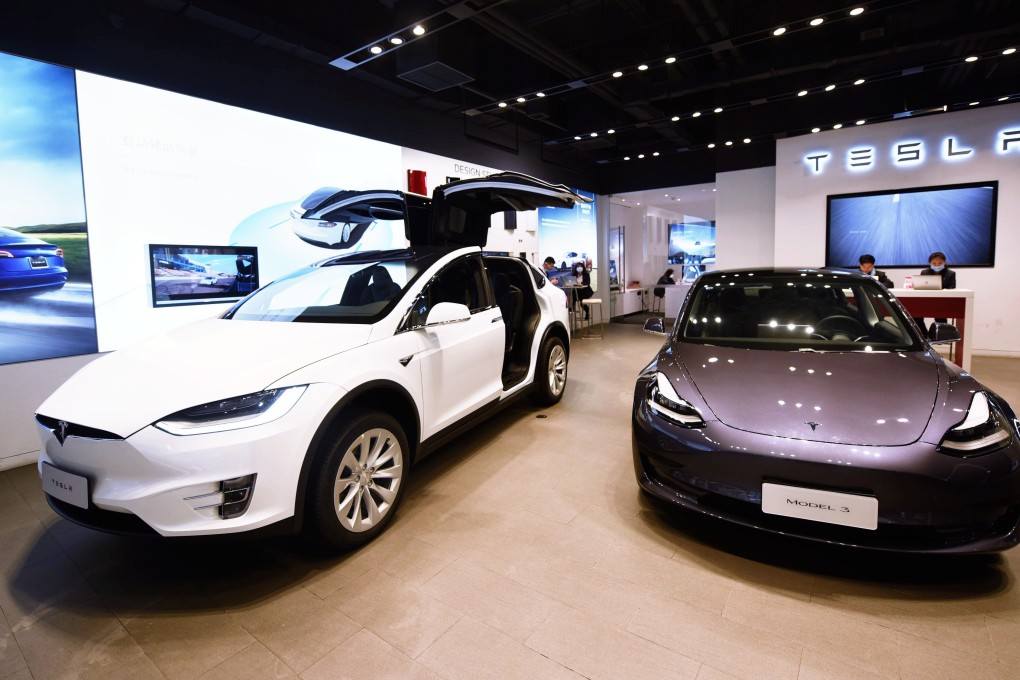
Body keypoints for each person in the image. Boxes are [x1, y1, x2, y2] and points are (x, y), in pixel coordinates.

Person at [914, 251, 957, 328]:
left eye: (940, 264)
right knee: (916, 317)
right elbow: (921, 287)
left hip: (942, 302)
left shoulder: (950, 274)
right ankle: (924, 334)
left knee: (941, 320)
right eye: (934, 263)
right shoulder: (925, 272)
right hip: (926, 301)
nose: (937, 265)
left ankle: (940, 335)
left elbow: (952, 288)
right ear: (929, 263)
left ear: (945, 263)